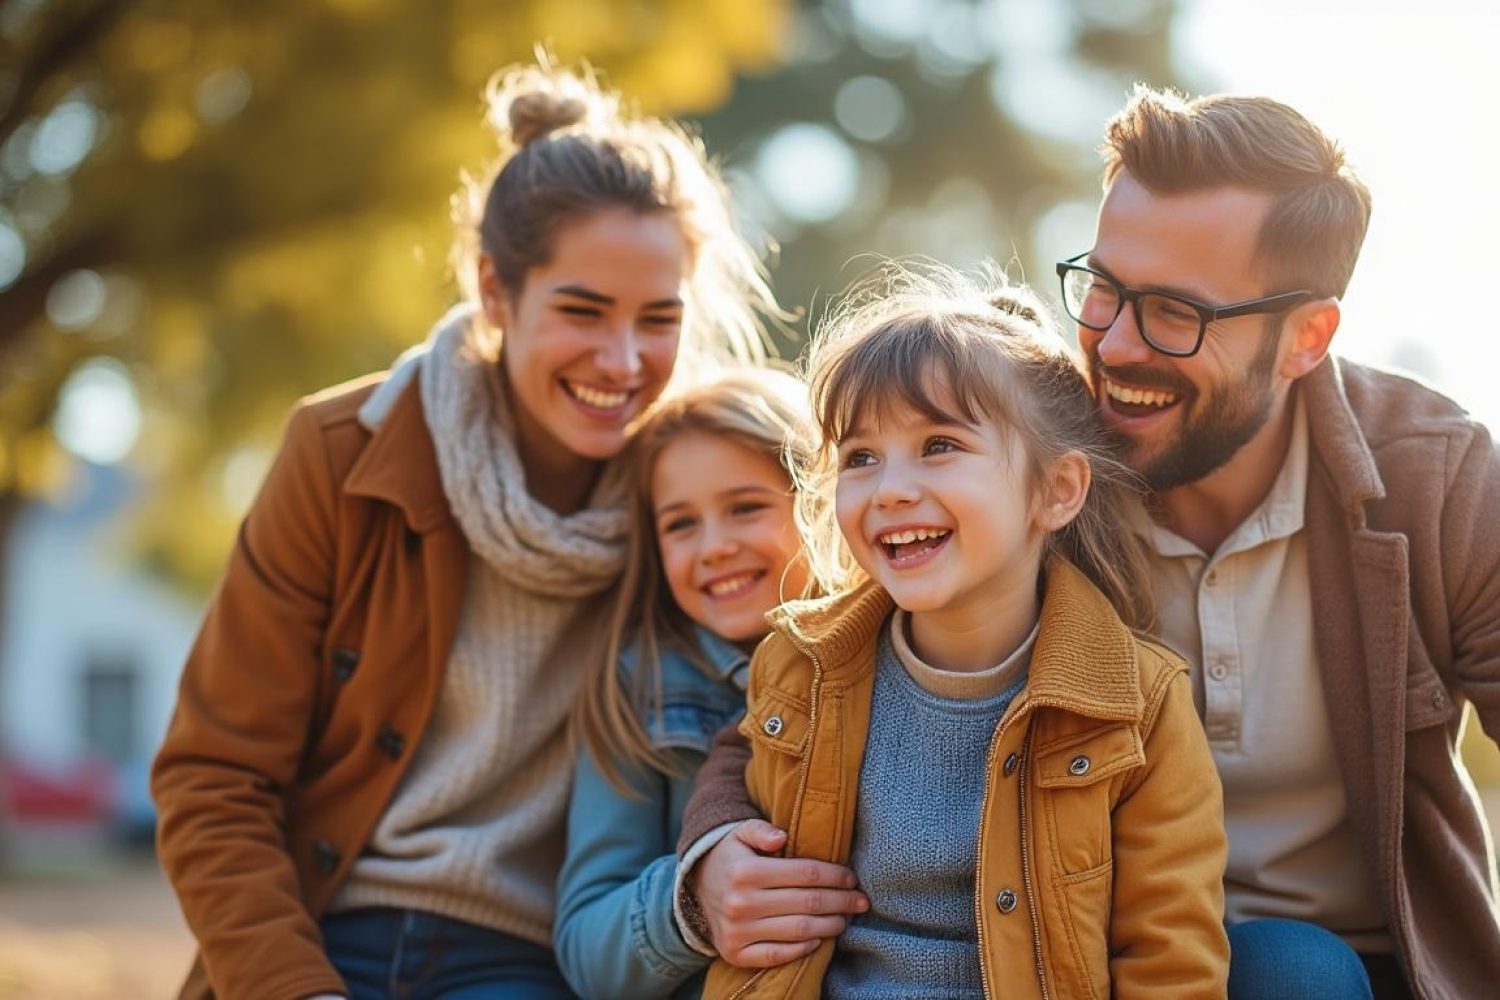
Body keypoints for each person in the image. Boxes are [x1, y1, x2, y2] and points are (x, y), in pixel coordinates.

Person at [678, 87, 1500, 1000]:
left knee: (1292, 972)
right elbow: (803, 681)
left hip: (1342, 966)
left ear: (1306, 336)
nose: (1113, 345)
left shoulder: (1436, 481)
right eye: (1103, 289)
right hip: (1070, 951)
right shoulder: (1036, 461)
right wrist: (714, 860)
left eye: (1176, 313)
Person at [150, 59, 781, 1000]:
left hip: (531, 962)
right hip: (321, 937)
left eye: (658, 320)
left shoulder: (692, 504)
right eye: (582, 311)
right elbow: (214, 778)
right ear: (495, 291)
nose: (623, 360)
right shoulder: (341, 454)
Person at [699, 267, 1230, 998]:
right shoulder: (800, 663)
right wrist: (708, 851)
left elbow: (1170, 962)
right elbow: (734, 773)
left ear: (1057, 490)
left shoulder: (1140, 709)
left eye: (940, 445)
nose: (890, 489)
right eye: (860, 458)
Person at [554, 367, 839, 999]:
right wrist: (691, 905)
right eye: (681, 524)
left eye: (745, 507)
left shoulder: (902, 652)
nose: (713, 546)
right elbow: (583, 948)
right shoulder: (640, 688)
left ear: (821, 499)